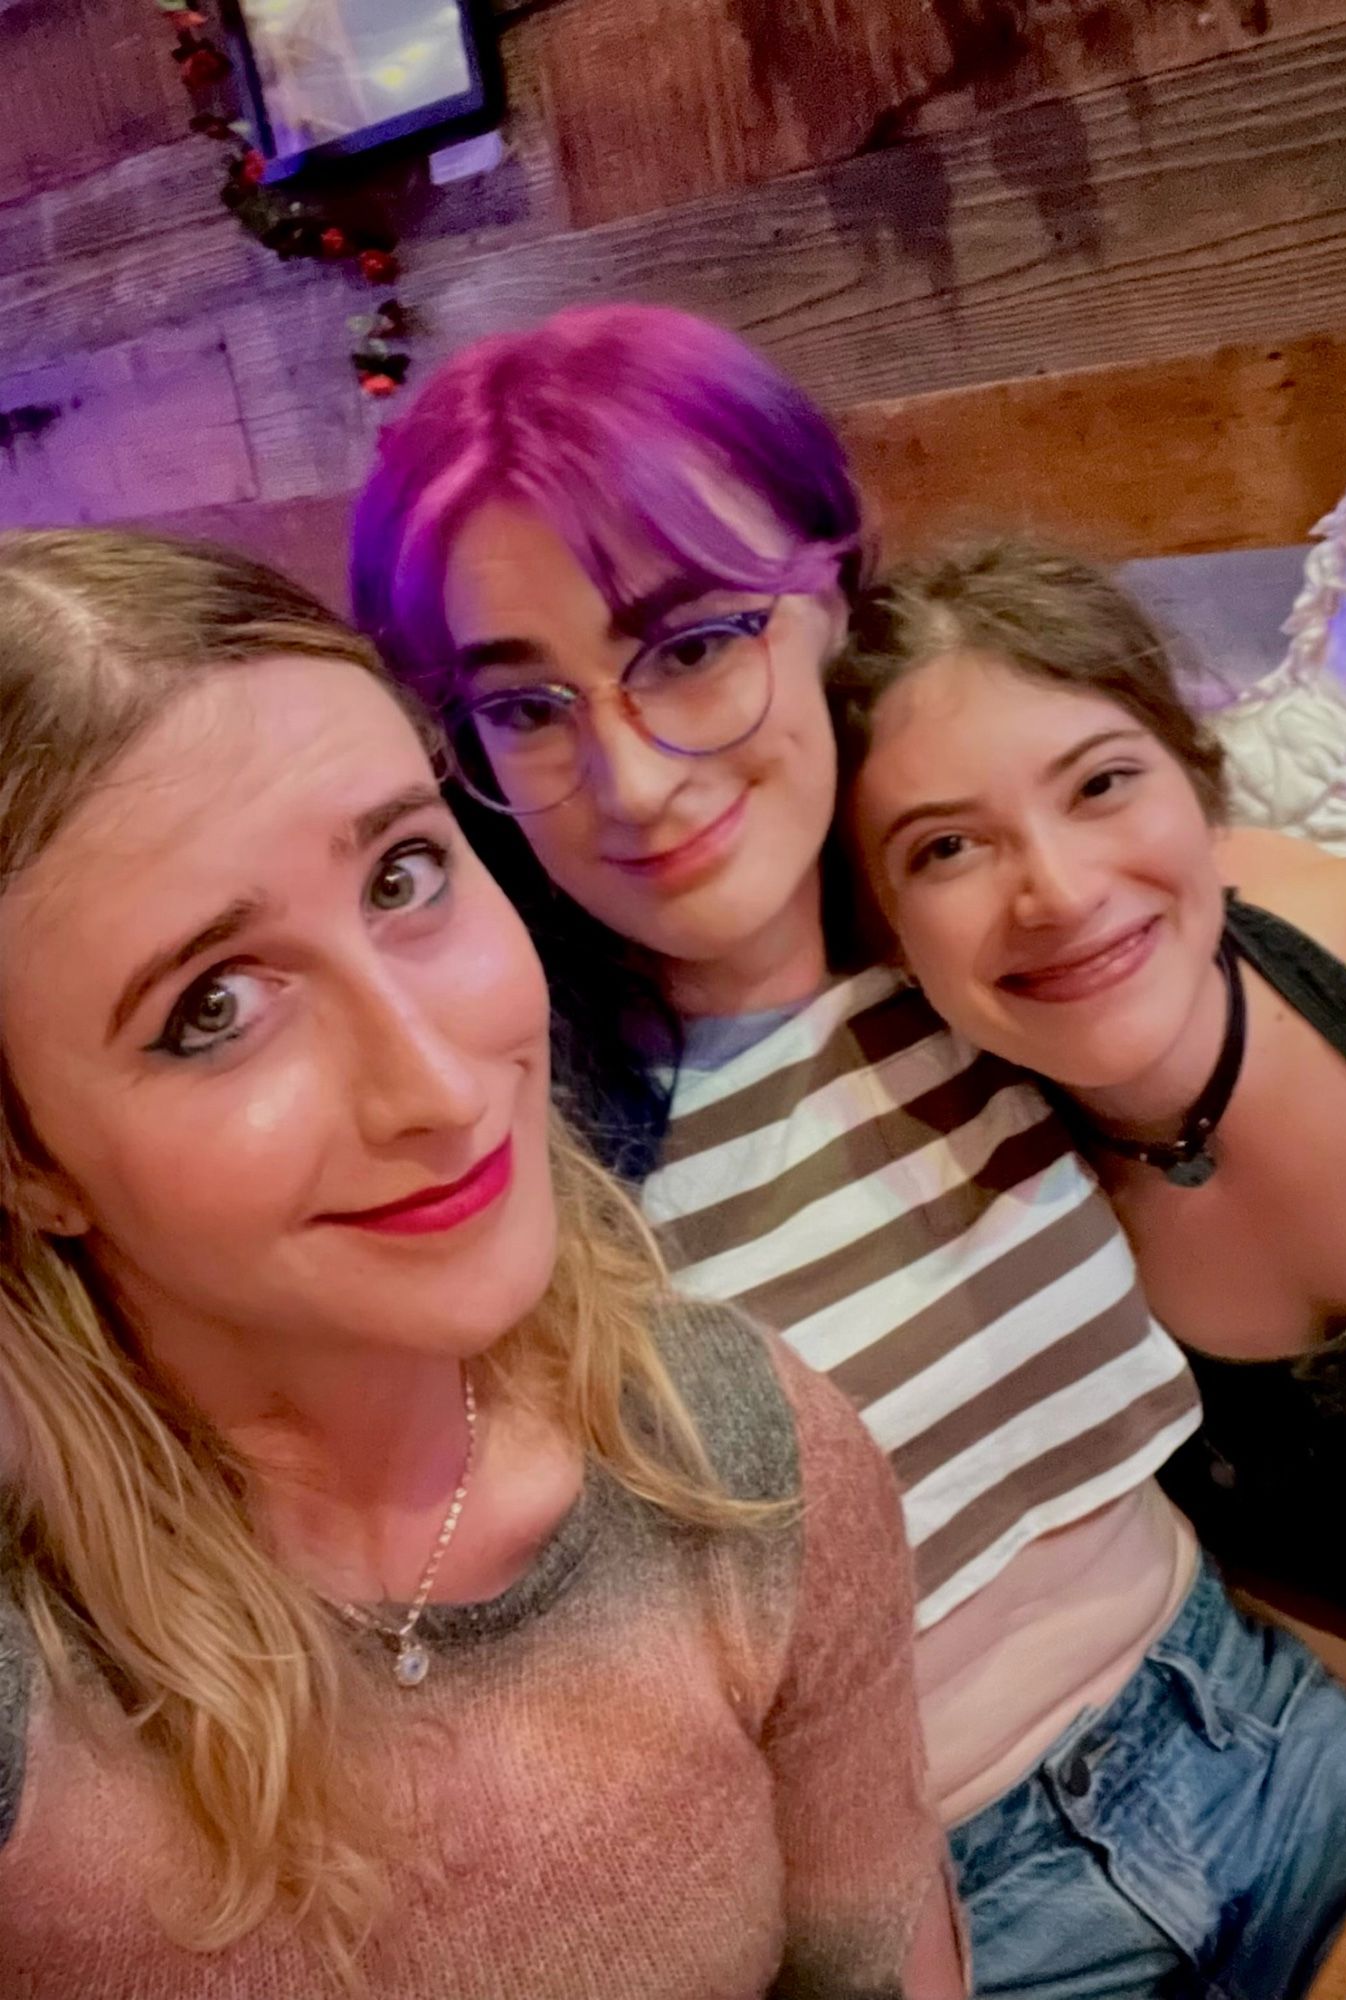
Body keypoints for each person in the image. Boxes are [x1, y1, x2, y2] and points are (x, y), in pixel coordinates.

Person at [352, 304, 1346, 1998]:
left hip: (1274, 1730)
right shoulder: (519, 1169)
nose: (629, 777)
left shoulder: (997, 962)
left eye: (693, 640)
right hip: (955, 1920)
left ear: (830, 589)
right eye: (529, 708)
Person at [0, 529, 961, 2000]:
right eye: (212, 1009)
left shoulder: (745, 1460)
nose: (440, 1088)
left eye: (403, 875)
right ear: (31, 1163)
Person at [830, 534, 1346, 1768]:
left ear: (1200, 782)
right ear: (884, 934)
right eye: (946, 848)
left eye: (1099, 784)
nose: (1059, 891)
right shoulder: (985, 1216)